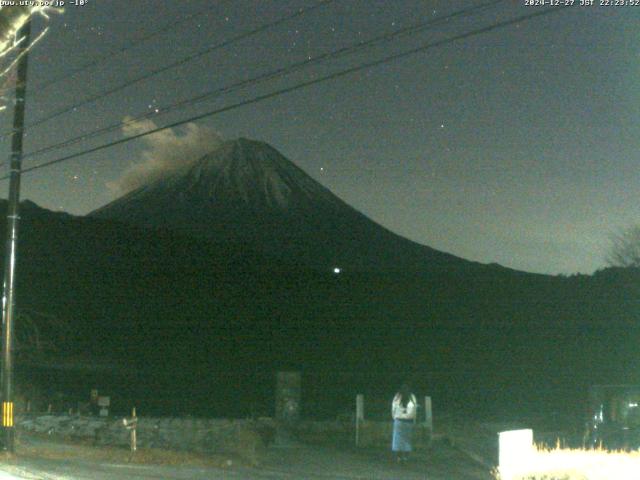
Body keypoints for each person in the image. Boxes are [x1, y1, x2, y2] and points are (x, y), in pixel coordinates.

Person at [391, 384, 417, 463]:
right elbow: (415, 409)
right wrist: (414, 419)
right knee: (407, 440)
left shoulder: (397, 396)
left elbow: (393, 408)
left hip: (398, 420)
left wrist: (394, 417)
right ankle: (405, 457)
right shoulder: (412, 397)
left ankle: (399, 457)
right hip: (408, 421)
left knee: (398, 440)